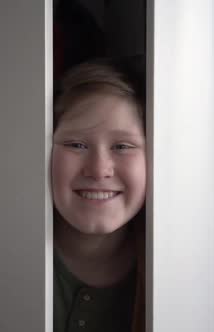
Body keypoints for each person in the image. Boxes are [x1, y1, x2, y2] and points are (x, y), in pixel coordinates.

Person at [51, 57, 146, 332]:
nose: (98, 170)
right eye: (77, 144)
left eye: (122, 146)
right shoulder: (1, 259)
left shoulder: (175, 273)